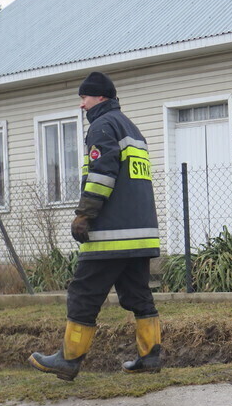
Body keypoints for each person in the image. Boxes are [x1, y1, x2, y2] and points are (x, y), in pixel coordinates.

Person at [29, 71, 162, 381]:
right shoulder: (131, 128)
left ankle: (69, 359)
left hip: (110, 235)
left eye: (84, 97)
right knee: (138, 295)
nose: (81, 104)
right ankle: (151, 356)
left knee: (84, 293)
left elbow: (102, 174)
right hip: (139, 234)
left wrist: (84, 214)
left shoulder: (102, 127)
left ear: (100, 97)